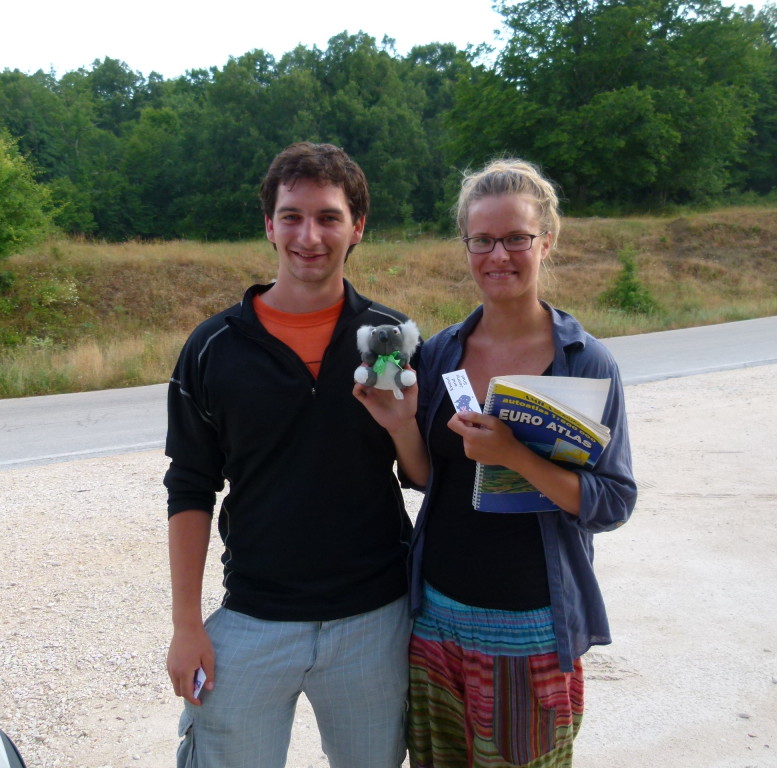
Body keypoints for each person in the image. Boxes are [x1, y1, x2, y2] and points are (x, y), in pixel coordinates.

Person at [356, 158, 637, 767]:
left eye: (516, 238)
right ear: (466, 246)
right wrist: (402, 427)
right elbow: (429, 479)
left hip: (531, 628)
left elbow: (612, 502)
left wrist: (513, 455)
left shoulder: (584, 362)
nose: (498, 255)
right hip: (437, 621)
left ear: (547, 242)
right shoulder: (439, 353)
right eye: (481, 240)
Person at [164, 142, 414, 768]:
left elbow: (422, 475)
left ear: (357, 227)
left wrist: (406, 426)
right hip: (253, 616)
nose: (310, 235)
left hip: (375, 620)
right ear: (269, 225)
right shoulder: (214, 347)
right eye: (293, 216)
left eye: (329, 217)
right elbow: (190, 487)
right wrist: (187, 626)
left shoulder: (392, 338)